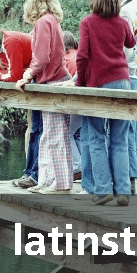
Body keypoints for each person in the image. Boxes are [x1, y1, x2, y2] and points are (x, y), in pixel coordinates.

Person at [76, 0, 136, 205]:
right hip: (122, 83)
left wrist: (81, 84)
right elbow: (131, 41)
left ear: (94, 0)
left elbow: (81, 56)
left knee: (96, 138)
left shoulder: (87, 23)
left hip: (98, 84)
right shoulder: (121, 22)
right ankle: (122, 191)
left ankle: (102, 190)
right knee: (120, 140)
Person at [15, 0, 73, 194]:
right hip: (53, 81)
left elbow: (41, 58)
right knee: (49, 135)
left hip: (53, 82)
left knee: (55, 136)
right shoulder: (52, 21)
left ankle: (61, 183)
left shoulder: (43, 22)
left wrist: (26, 76)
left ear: (35, 0)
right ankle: (47, 180)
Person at [0, 19, 42, 190]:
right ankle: (30, 173)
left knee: (36, 128)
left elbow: (12, 76)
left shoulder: (9, 41)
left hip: (40, 78)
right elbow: (0, 69)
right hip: (28, 78)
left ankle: (34, 175)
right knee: (32, 128)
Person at [105, 0, 137, 195]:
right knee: (131, 128)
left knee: (121, 131)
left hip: (125, 73)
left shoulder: (123, 12)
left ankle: (125, 180)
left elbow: (123, 49)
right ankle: (131, 177)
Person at [62, 31, 83, 180]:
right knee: (78, 134)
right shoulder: (79, 55)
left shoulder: (66, 59)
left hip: (75, 100)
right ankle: (82, 165)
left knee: (68, 133)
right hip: (87, 101)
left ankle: (77, 166)